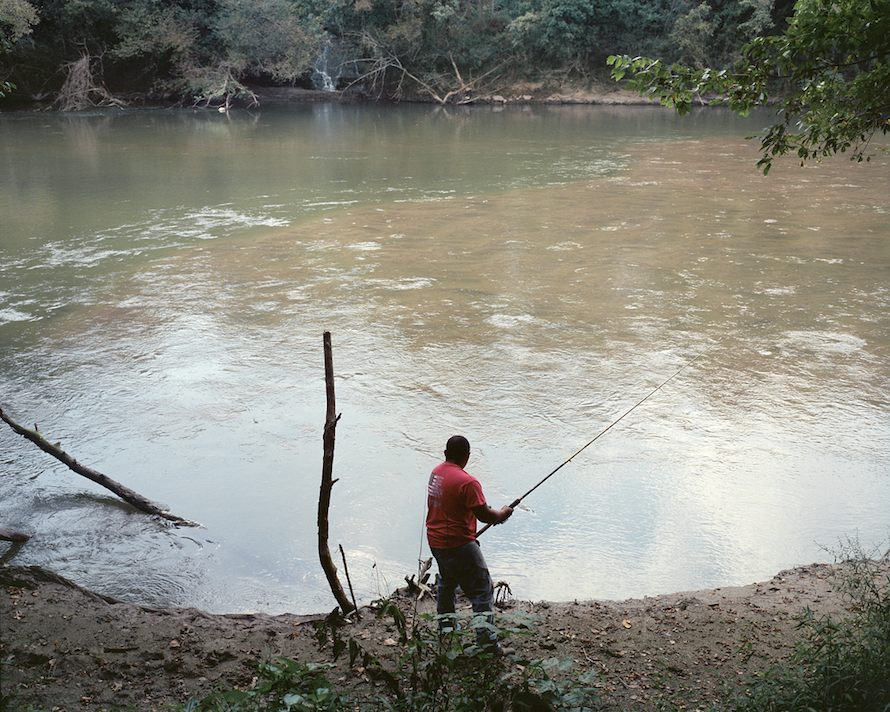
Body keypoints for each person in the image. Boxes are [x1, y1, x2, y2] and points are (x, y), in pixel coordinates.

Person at [426, 435, 513, 650]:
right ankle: (487, 643)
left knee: (447, 584)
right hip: (458, 544)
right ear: (467, 457)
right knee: (483, 589)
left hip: (436, 540)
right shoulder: (468, 482)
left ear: (446, 454)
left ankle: (445, 632)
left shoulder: (436, 473)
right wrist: (504, 513)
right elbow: (486, 516)